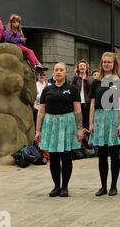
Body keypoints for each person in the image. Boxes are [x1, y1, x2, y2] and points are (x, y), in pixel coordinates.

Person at [35, 63, 84, 198]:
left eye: (61, 70)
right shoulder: (47, 90)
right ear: (54, 72)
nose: (58, 72)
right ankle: (56, 186)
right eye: (56, 70)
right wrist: (38, 130)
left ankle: (64, 187)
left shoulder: (72, 89)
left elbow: (78, 110)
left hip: (67, 124)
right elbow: (41, 112)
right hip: (51, 124)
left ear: (66, 72)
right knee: (54, 157)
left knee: (66, 156)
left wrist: (80, 129)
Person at [89, 52, 120, 197]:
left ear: (114, 63)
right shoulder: (96, 82)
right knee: (102, 154)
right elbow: (92, 103)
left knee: (115, 154)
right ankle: (103, 186)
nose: (106, 64)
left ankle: (114, 186)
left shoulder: (119, 81)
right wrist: (91, 122)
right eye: (104, 62)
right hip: (99, 117)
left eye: (109, 62)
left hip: (114, 116)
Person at [71, 60, 94, 133]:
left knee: (86, 122)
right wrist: (75, 76)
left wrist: (85, 80)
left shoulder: (90, 78)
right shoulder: (75, 78)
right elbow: (72, 88)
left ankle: (87, 141)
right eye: (80, 66)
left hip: (87, 103)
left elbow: (91, 90)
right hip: (78, 103)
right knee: (78, 122)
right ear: (78, 68)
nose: (82, 67)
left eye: (84, 66)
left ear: (86, 68)